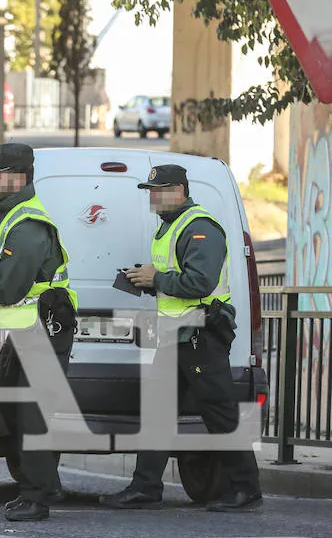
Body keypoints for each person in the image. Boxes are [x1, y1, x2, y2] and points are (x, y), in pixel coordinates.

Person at [99, 164, 262, 512]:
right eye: (150, 190)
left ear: (181, 190)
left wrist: (155, 278)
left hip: (200, 336)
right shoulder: (170, 228)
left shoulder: (200, 227)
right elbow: (177, 281)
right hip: (177, 336)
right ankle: (145, 487)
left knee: (219, 412)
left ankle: (246, 488)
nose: (153, 196)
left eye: (159, 190)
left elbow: (200, 283)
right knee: (157, 411)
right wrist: (144, 281)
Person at [0, 143, 78, 522]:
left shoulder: (28, 226)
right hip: (21, 332)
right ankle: (43, 482)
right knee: (11, 407)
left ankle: (37, 496)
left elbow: (8, 290)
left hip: (43, 329)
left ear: (20, 178)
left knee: (31, 413)